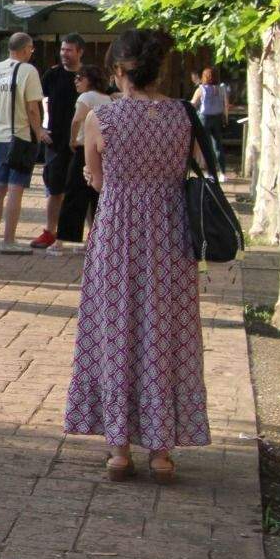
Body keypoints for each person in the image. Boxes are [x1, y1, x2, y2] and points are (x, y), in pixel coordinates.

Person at [65, 29, 209, 484]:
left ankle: (119, 449)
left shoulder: (101, 119)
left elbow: (96, 177)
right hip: (169, 233)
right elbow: (199, 166)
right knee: (164, 333)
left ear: (120, 71)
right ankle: (162, 452)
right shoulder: (182, 116)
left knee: (116, 330)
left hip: (117, 233)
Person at [0, 32, 50, 254]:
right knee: (15, 187)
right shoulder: (29, 71)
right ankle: (9, 240)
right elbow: (33, 108)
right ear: (25, 49)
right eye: (31, 49)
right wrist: (39, 130)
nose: (32, 52)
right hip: (20, 136)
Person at [33, 34, 85, 249]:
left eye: (69, 50)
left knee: (86, 189)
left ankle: (94, 236)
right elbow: (34, 101)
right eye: (63, 49)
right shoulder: (52, 75)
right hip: (55, 142)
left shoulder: (88, 76)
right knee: (55, 189)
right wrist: (39, 129)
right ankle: (50, 231)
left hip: (82, 143)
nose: (64, 53)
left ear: (80, 52)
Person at [54, 64, 112, 252]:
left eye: (80, 78)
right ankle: (97, 238)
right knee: (96, 196)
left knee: (73, 193)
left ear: (90, 80)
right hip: (103, 151)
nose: (76, 81)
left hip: (84, 149)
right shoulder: (108, 99)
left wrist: (72, 139)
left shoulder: (86, 97)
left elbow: (76, 120)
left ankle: (62, 238)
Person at [191, 66, 231, 172]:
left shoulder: (201, 89)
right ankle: (222, 171)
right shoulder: (222, 89)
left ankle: (210, 171)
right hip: (217, 118)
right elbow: (226, 105)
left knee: (205, 146)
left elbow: (193, 104)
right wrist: (226, 118)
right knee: (218, 146)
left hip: (204, 118)